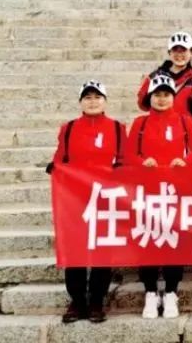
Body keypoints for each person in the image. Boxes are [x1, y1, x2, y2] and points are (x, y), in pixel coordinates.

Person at [126, 73, 192, 319]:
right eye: (157, 94)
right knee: (148, 239)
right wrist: (142, 162)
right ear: (150, 97)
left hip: (175, 189)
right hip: (147, 189)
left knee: (173, 240)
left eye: (166, 94)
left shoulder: (184, 120)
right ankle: (150, 291)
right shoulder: (140, 123)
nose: (161, 99)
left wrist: (186, 161)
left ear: (173, 97)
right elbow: (128, 153)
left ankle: (171, 291)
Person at [49, 80, 125, 324]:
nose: (93, 102)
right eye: (88, 97)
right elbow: (60, 158)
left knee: (102, 251)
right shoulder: (69, 128)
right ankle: (77, 301)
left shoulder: (117, 128)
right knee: (75, 250)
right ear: (81, 102)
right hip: (75, 199)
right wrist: (56, 168)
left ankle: (96, 301)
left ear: (105, 101)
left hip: (105, 197)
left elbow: (124, 160)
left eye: (97, 97)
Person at [135, 32, 192, 117]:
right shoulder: (155, 76)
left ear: (191, 53)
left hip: (184, 125)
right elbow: (144, 106)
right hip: (159, 123)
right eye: (175, 50)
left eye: (183, 50)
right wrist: (144, 92)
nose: (179, 54)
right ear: (169, 53)